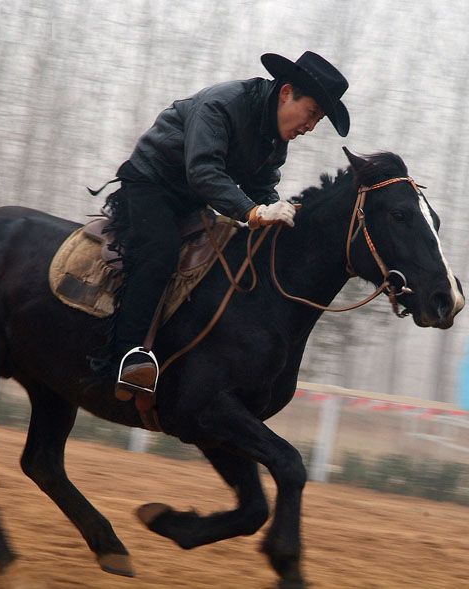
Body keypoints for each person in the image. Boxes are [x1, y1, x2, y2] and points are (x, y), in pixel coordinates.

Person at [100, 51, 351, 400]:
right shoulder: (222, 104)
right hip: (149, 185)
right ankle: (126, 358)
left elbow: (262, 190)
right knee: (160, 252)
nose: (310, 127)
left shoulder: (277, 140)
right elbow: (203, 171)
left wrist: (280, 218)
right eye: (311, 114)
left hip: (193, 201)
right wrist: (252, 212)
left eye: (317, 121)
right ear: (286, 92)